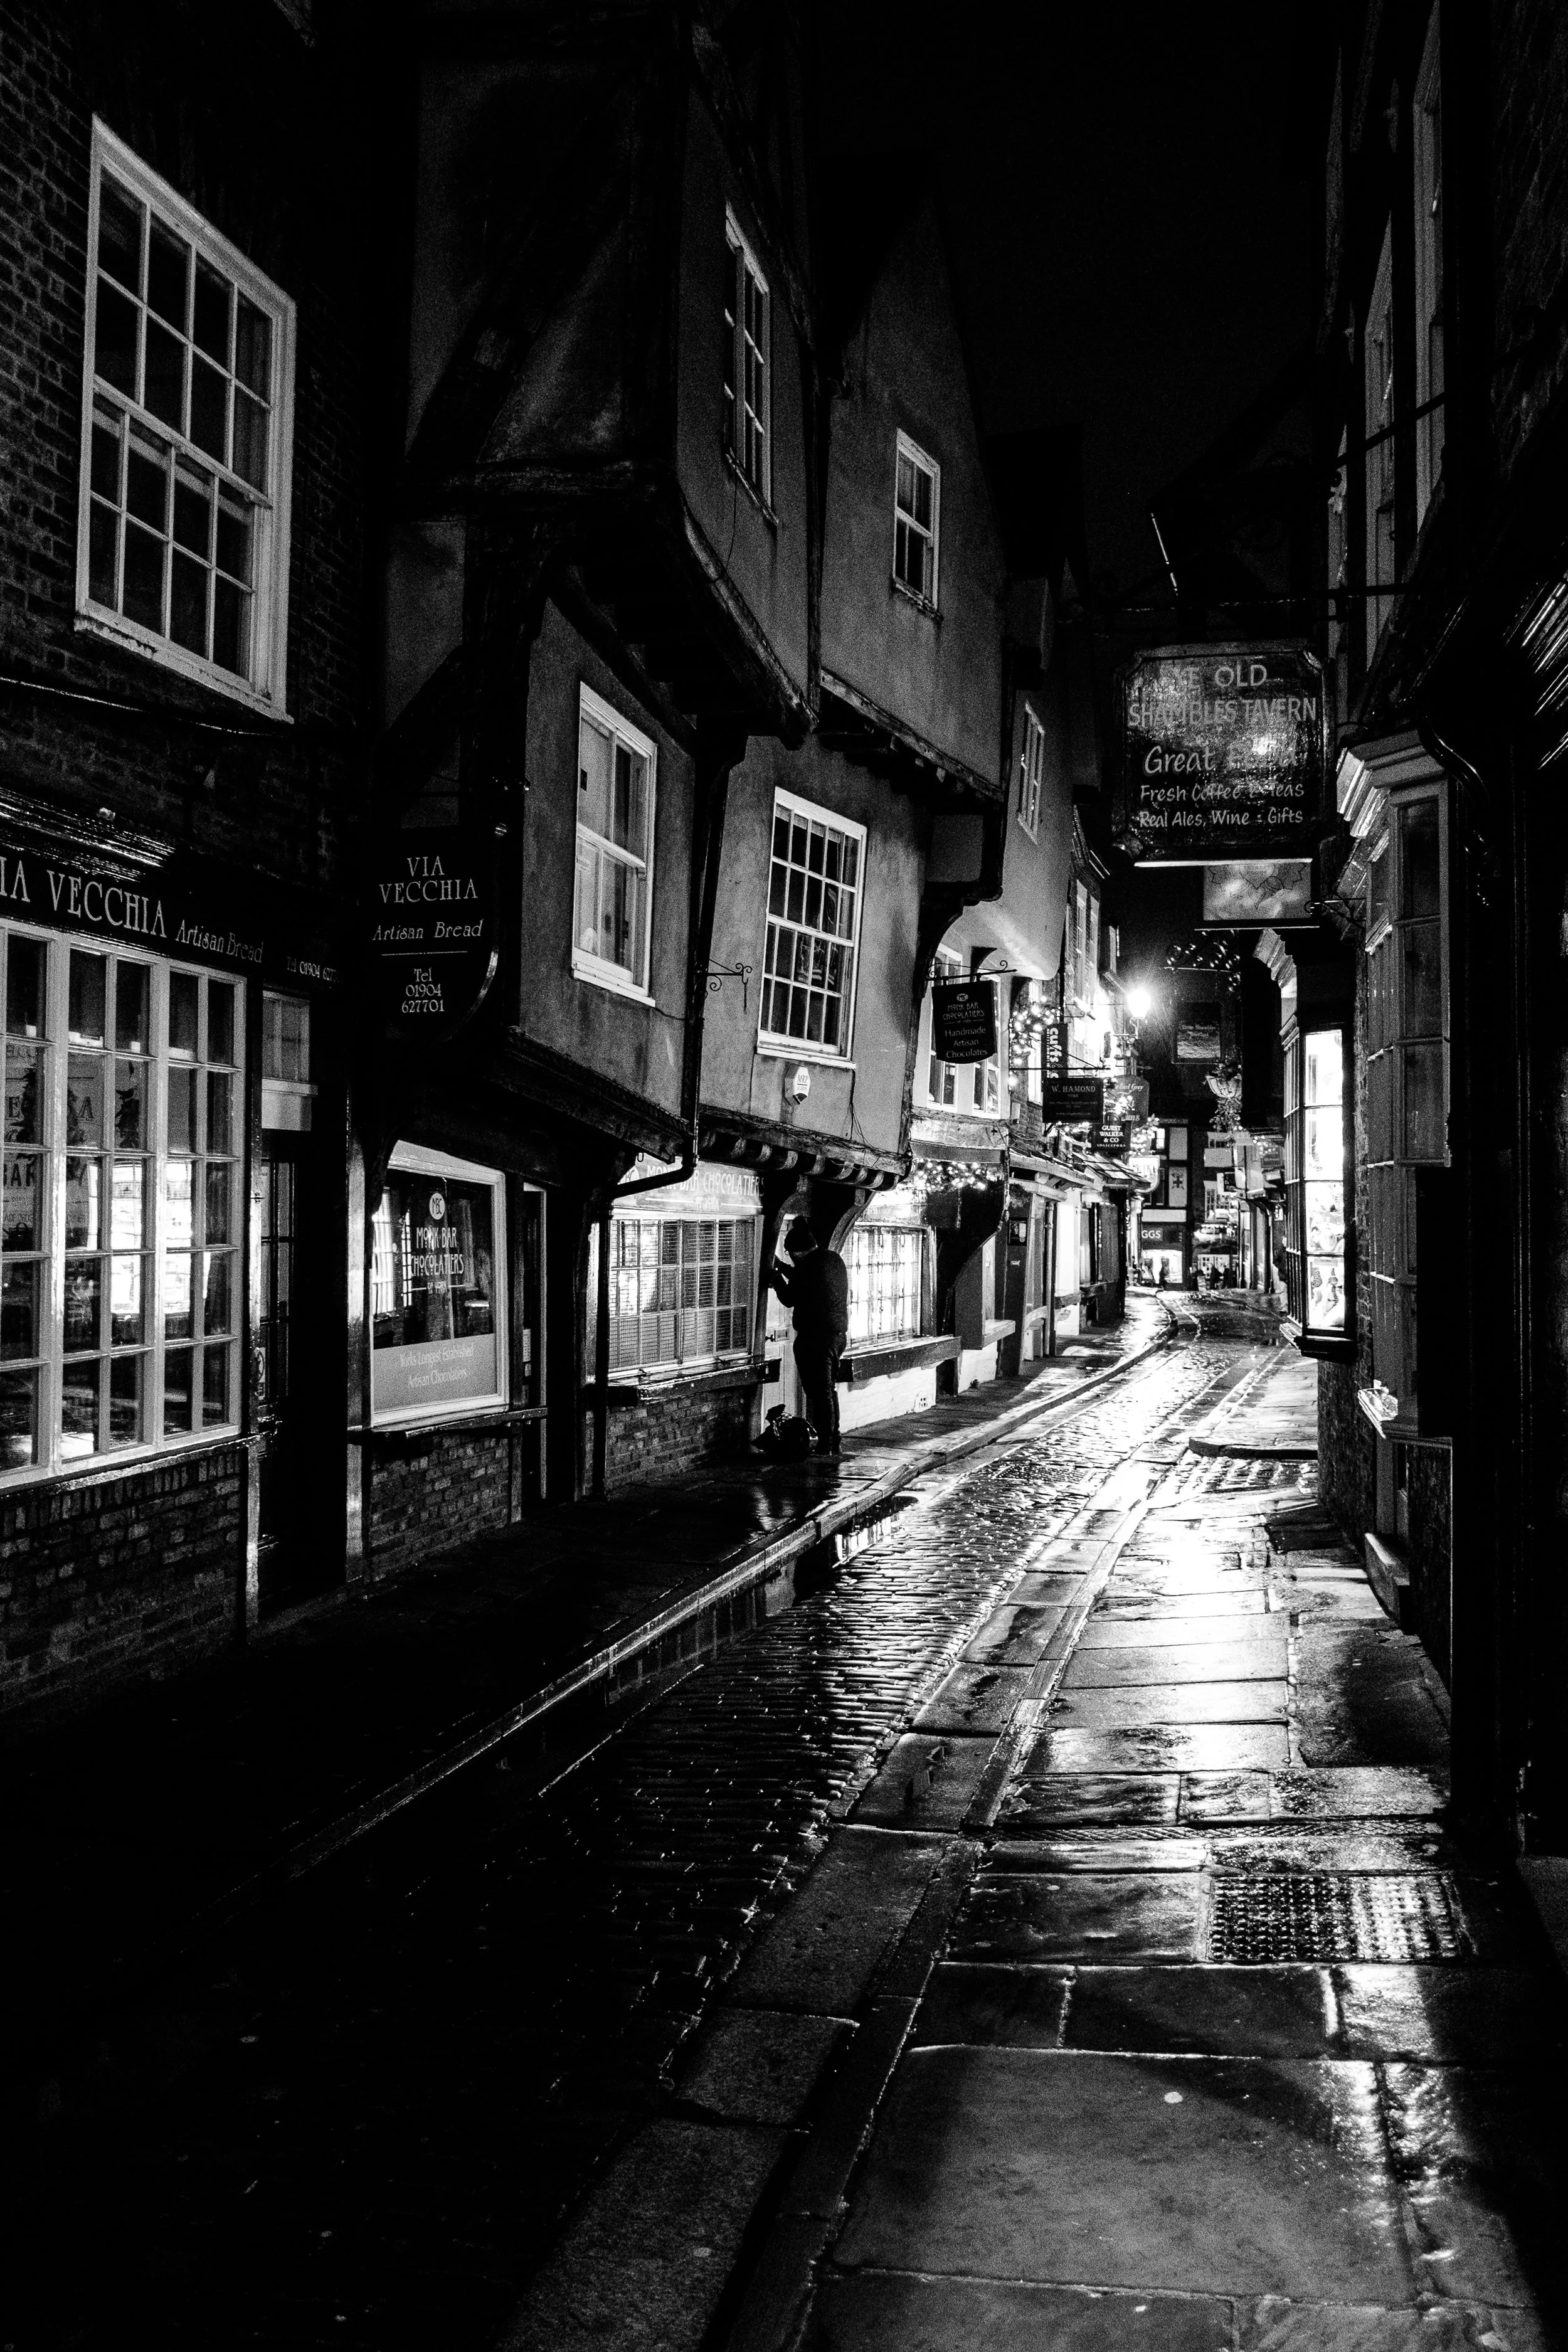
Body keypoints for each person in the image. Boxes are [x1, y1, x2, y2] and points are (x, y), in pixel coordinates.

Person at [768, 1216, 849, 1455]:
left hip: (816, 1339)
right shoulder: (832, 1259)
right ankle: (833, 1439)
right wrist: (782, 1267)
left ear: (796, 1252)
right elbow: (804, 1277)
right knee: (828, 1390)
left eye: (790, 1254)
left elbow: (790, 1298)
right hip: (836, 1337)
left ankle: (826, 1444)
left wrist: (776, 1279)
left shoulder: (807, 1268)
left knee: (819, 1393)